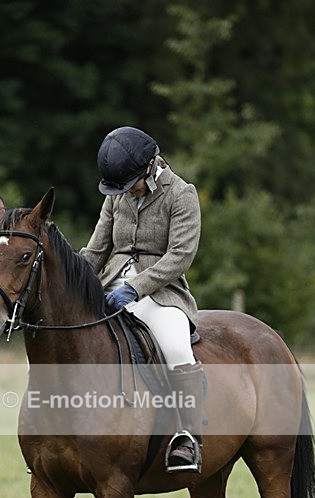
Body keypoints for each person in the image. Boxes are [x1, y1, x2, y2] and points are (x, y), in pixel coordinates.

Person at [80, 126, 203, 472]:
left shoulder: (181, 194)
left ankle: (188, 436)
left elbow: (180, 255)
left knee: (176, 346)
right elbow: (97, 249)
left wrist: (137, 288)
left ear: (150, 166)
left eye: (130, 184)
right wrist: (72, 279)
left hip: (161, 291)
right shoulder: (117, 194)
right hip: (110, 284)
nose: (126, 193)